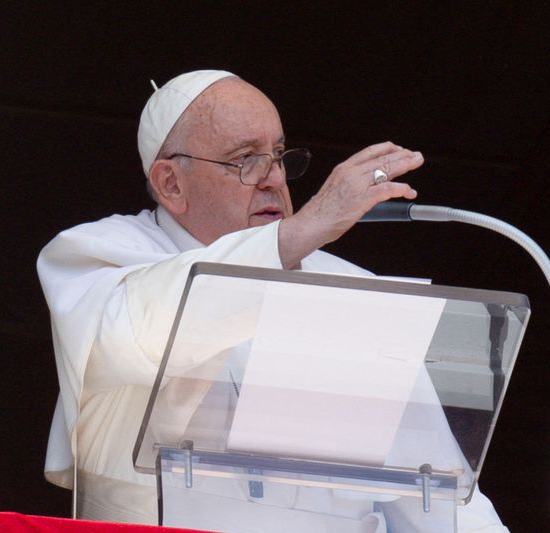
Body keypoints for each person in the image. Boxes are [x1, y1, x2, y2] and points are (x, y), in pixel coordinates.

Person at [38, 70, 508, 532]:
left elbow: (439, 491)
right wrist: (297, 233)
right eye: (246, 160)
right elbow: (137, 334)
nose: (274, 179)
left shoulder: (354, 289)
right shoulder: (98, 257)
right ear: (171, 184)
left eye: (279, 156)